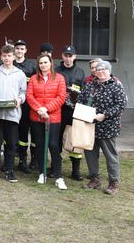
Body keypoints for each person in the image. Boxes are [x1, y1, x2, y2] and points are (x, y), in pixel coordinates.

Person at [77, 60, 127, 195]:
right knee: (90, 154)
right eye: (98, 70)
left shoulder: (116, 86)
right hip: (90, 126)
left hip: (108, 127)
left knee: (110, 155)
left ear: (109, 71)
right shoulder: (90, 85)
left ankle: (114, 183)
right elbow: (80, 100)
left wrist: (104, 115)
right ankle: (94, 179)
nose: (100, 72)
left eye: (103, 69)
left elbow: (121, 105)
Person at [26, 53, 67, 190]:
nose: (43, 65)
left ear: (51, 63)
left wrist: (46, 109)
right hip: (36, 117)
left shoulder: (59, 78)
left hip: (53, 118)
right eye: (41, 63)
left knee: (53, 145)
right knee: (40, 145)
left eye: (45, 62)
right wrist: (39, 109)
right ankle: (42, 173)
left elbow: (61, 97)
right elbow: (29, 96)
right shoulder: (33, 79)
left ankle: (58, 176)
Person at [0, 45, 27, 183]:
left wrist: (19, 99)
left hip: (13, 114)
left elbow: (23, 92)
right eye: (4, 56)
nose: (7, 58)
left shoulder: (20, 74)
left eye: (9, 55)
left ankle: (9, 171)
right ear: (1, 56)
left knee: (11, 144)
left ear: (14, 57)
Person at [55, 45, 86, 181]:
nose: (68, 58)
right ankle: (56, 167)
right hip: (59, 110)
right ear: (62, 56)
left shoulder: (80, 72)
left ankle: (75, 170)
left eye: (70, 56)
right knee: (56, 140)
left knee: (75, 140)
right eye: (65, 55)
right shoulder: (56, 70)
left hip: (74, 111)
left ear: (75, 57)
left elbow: (83, 93)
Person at [13, 39, 37, 173]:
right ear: (14, 50)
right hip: (13, 104)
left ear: (25, 50)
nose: (19, 51)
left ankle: (28, 159)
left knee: (28, 132)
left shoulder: (32, 66)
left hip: (28, 104)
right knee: (14, 133)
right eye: (17, 48)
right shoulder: (11, 64)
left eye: (22, 48)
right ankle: (16, 160)